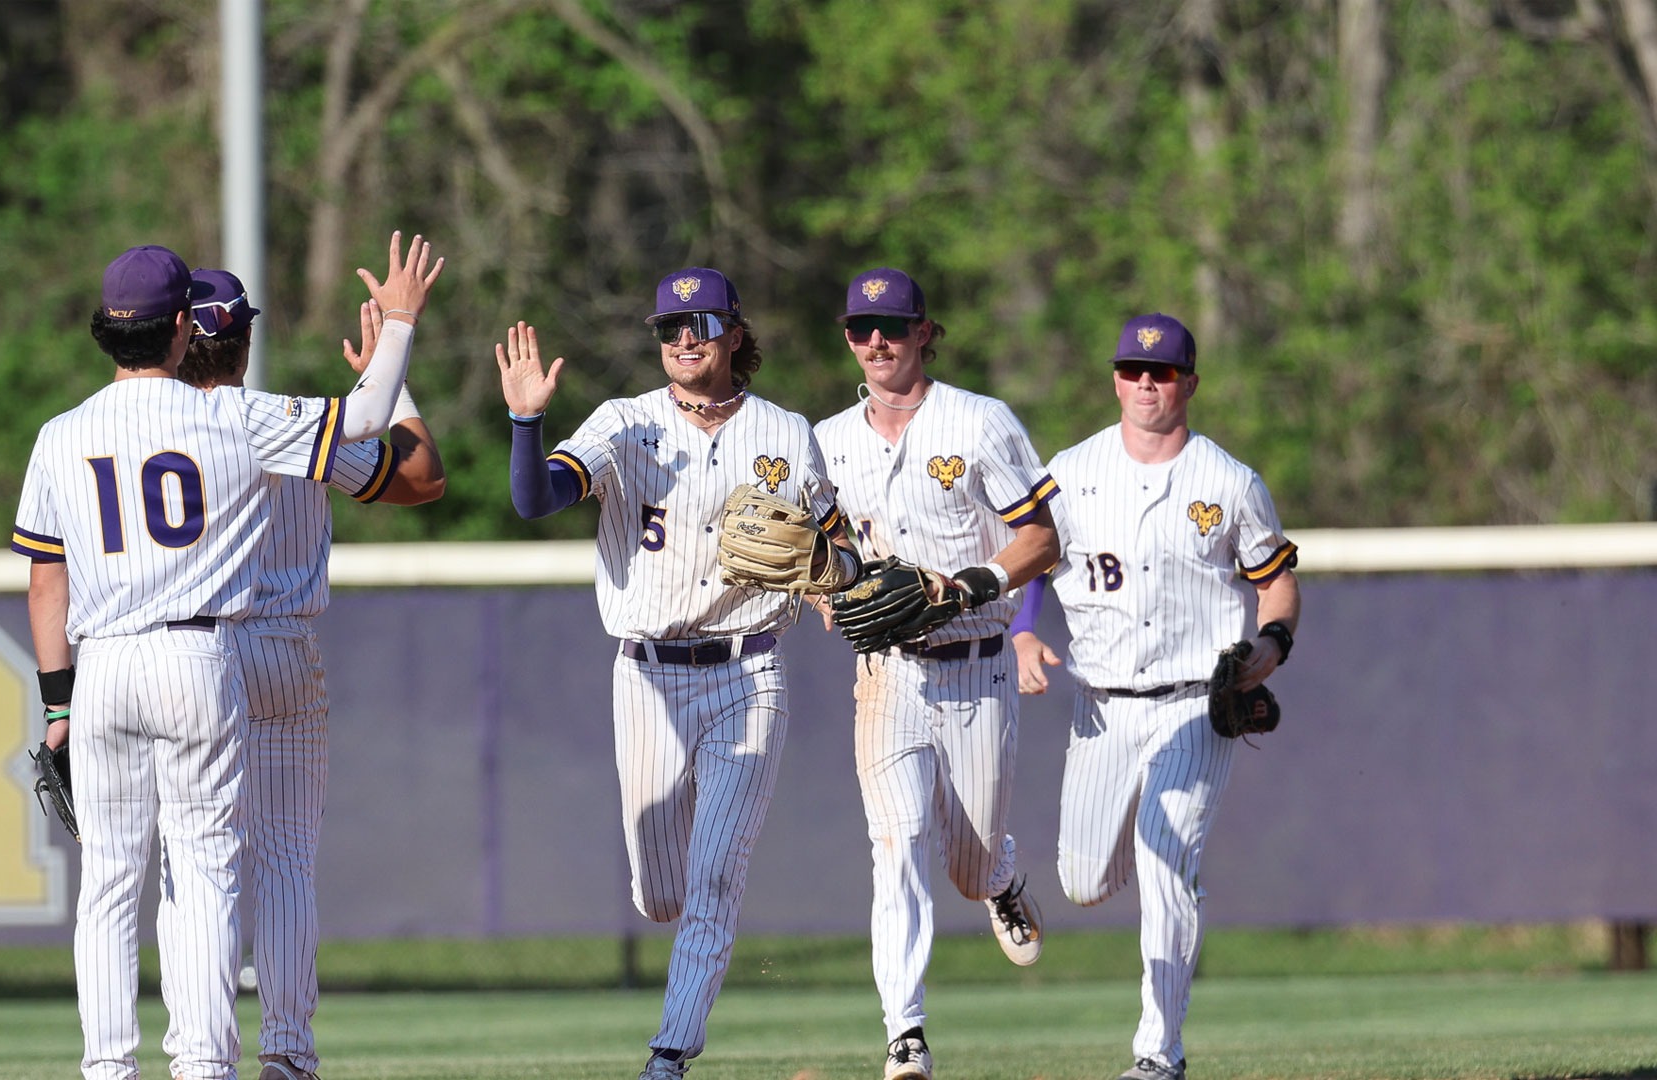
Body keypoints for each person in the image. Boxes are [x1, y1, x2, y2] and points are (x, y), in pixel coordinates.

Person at [12, 239, 424, 1080]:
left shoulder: (60, 435)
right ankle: (204, 1064)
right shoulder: (232, 416)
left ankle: (107, 1068)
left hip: (101, 668)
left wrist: (58, 706)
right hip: (200, 654)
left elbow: (44, 581)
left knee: (110, 883)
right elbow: (374, 425)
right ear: (177, 329)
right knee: (204, 875)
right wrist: (401, 324)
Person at [494, 267, 861, 1080]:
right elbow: (535, 500)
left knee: (715, 877)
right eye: (668, 327)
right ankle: (669, 941)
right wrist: (526, 421)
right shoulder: (625, 424)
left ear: (734, 332)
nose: (683, 338)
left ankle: (669, 1054)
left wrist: (838, 579)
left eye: (698, 323)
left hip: (749, 671)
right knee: (662, 893)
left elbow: (837, 553)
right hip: (648, 677)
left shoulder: (787, 432)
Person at [174, 238, 444, 1080]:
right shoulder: (291, 422)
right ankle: (288, 1054)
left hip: (189, 651)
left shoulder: (139, 431)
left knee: (199, 861)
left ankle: (200, 1058)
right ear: (244, 341)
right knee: (285, 858)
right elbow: (422, 478)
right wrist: (390, 383)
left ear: (178, 337)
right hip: (284, 648)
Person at [1011, 313, 1301, 1080]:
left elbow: (1274, 582)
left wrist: (1272, 646)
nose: (1147, 383)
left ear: (1190, 383)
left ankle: (1158, 1055)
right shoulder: (1070, 471)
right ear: (1115, 379)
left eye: (1164, 371)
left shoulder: (1229, 481)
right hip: (1101, 703)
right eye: (1134, 370)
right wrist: (1024, 631)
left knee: (1167, 865)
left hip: (1194, 702)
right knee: (1083, 883)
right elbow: (1035, 557)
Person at [812, 267, 1061, 1080]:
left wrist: (970, 586)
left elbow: (1040, 540)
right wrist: (829, 593)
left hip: (978, 664)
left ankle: (1001, 876)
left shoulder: (981, 422)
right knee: (899, 843)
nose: (875, 340)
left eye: (891, 325)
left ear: (926, 332)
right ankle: (904, 1033)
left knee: (969, 864)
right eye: (860, 327)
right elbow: (829, 559)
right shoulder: (827, 441)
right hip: (888, 673)